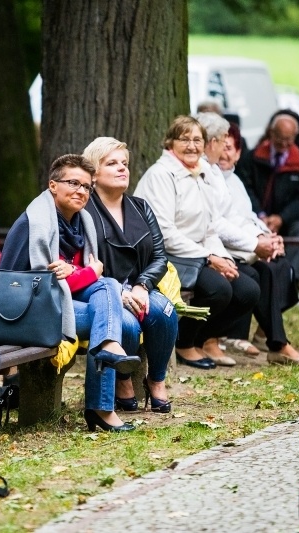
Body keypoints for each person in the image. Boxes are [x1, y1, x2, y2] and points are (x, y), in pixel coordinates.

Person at [0, 154, 142, 431]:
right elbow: (37, 284)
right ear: (53, 185)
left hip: (67, 301)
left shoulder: (82, 222)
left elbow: (77, 281)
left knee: (109, 287)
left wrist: (83, 275)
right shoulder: (35, 223)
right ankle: (101, 408)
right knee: (109, 318)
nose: (81, 191)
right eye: (73, 183)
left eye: (87, 186)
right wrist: (89, 273)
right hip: (31, 308)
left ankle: (106, 350)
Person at [134, 115, 260, 370]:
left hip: (197, 253)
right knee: (219, 290)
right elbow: (165, 233)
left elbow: (210, 226)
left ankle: (203, 338)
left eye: (197, 140)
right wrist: (208, 258)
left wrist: (221, 257)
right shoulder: (162, 175)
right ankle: (183, 342)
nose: (192, 146)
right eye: (184, 139)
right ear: (170, 143)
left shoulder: (201, 173)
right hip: (167, 256)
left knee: (248, 289)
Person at [82, 137, 178, 412]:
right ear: (94, 173)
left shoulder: (141, 207)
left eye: (124, 163)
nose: (122, 168)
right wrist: (119, 292)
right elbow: (84, 264)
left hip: (141, 288)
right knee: (126, 325)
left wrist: (143, 285)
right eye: (112, 163)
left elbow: (160, 257)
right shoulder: (84, 211)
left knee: (165, 312)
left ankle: (156, 380)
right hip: (105, 293)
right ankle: (123, 380)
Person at [210, 118, 299, 365]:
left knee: (283, 267)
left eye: (230, 148)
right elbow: (219, 224)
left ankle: (269, 336)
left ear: (238, 153)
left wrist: (267, 236)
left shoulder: (233, 180)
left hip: (241, 245)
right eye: (221, 146)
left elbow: (246, 216)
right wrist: (257, 243)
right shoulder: (212, 178)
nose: (225, 153)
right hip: (224, 250)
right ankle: (274, 342)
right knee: (263, 273)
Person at [237, 114, 299, 281]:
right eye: (280, 138)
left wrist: (282, 218)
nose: (284, 143)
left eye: (289, 139)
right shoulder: (252, 158)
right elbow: (246, 189)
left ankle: (290, 278)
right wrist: (261, 216)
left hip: (289, 217)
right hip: (258, 215)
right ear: (271, 133)